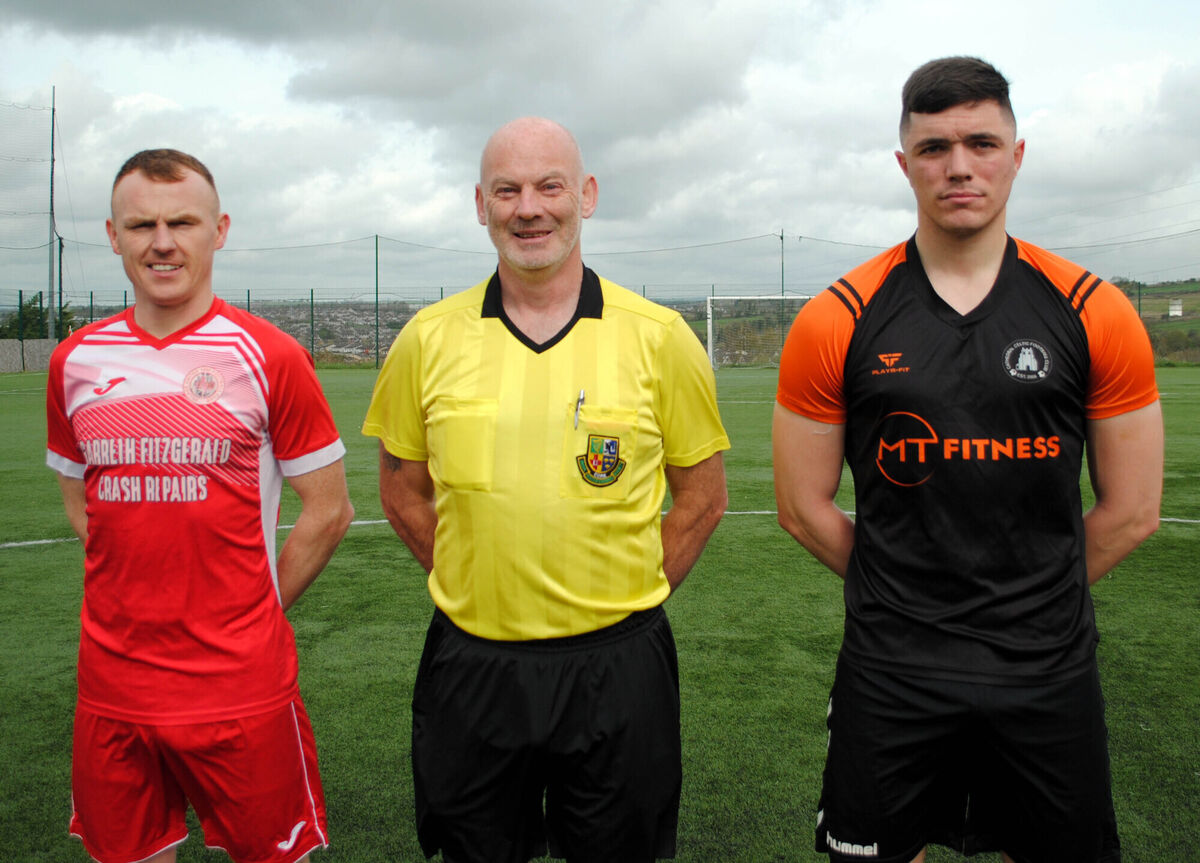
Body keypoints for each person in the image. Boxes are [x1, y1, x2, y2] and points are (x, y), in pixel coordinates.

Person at [773, 57, 1162, 863]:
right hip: (892, 669)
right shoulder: (835, 318)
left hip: (1046, 669)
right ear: (904, 163)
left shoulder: (1096, 310)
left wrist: (1025, 600)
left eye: (982, 142)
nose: (959, 166)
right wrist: (907, 595)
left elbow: (1131, 510)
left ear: (1016, 156)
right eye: (934, 147)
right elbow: (802, 506)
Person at [363, 116, 730, 863]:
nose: (529, 207)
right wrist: (477, 577)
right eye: (508, 190)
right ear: (481, 204)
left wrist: (624, 593)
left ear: (585, 195)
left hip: (618, 669)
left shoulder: (659, 336)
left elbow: (702, 497)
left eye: (549, 186)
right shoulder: (426, 338)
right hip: (472, 666)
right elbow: (402, 490)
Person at [45, 149, 354, 863]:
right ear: (113, 234)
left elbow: (329, 510)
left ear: (219, 230)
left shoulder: (269, 354)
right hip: (112, 687)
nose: (162, 241)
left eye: (182, 221)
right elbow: (82, 499)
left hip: (240, 686)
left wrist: (255, 607)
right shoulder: (74, 361)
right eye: (141, 224)